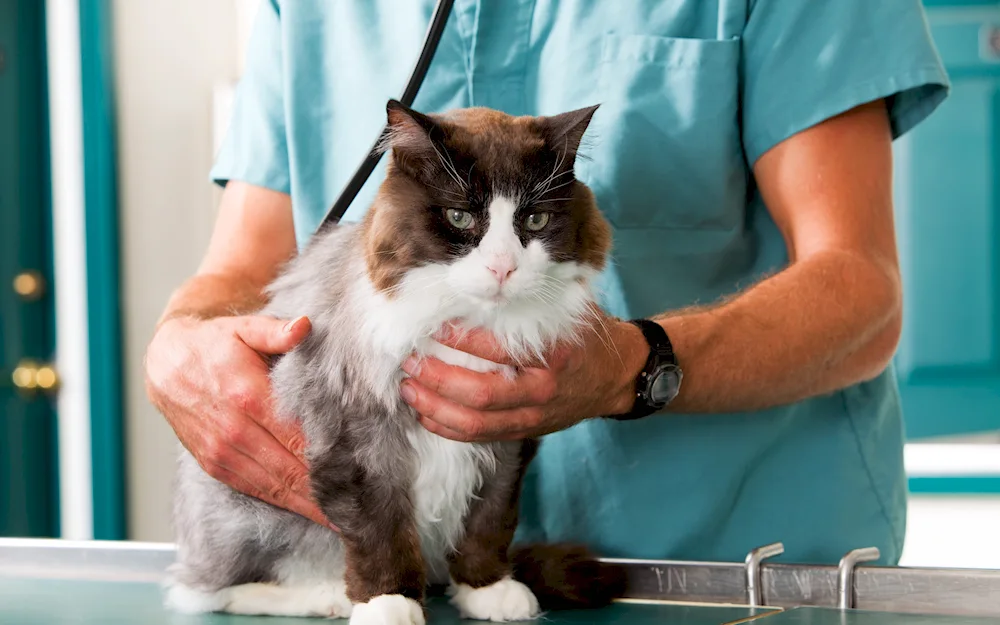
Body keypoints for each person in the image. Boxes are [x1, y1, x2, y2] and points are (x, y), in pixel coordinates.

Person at [145, 0, 949, 565]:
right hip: (419, 576)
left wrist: (632, 367)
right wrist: (179, 344)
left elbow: (861, 291)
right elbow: (243, 273)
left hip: (732, 566)